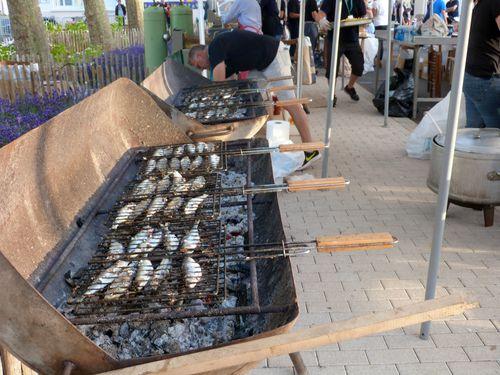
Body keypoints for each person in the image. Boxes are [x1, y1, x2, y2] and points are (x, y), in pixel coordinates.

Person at [188, 30, 321, 168]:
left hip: (273, 56)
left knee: (291, 105)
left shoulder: (214, 48)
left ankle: (310, 151)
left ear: (199, 55)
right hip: (260, 65)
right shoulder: (221, 52)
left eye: (198, 65)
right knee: (250, 98)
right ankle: (251, 145)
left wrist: (212, 103)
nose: (201, 69)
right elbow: (227, 82)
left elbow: (219, 83)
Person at [318, 0, 367, 102]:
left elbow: (363, 14)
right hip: (335, 38)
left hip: (352, 38)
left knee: (359, 66)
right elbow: (320, 14)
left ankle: (349, 87)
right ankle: (332, 94)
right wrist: (321, 20)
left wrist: (366, 19)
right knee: (332, 69)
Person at [462, 0, 500, 129]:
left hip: (471, 76)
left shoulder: (480, 5)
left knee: (474, 135)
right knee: (494, 137)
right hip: (486, 78)